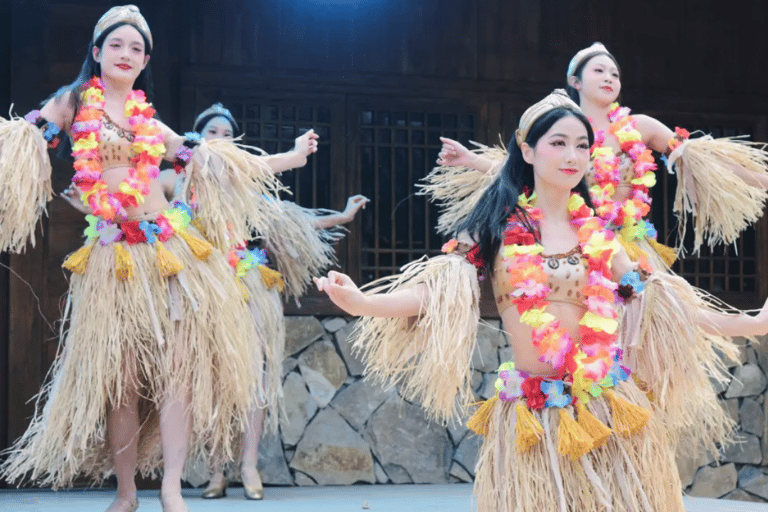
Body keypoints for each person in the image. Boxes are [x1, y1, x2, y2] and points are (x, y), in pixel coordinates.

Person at [315, 91, 768, 511]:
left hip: (610, 409)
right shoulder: (494, 228)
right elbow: (436, 292)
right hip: (532, 417)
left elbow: (668, 309)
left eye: (581, 145)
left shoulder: (601, 239)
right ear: (528, 151)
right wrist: (360, 303)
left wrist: (753, 324)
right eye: (558, 143)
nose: (572, 156)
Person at [0, 6, 306, 512]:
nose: (126, 54)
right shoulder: (75, 102)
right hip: (113, 259)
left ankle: (171, 487)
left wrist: (287, 159)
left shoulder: (149, 122)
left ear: (145, 62)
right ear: (96, 53)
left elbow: (208, 159)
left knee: (177, 374)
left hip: (170, 255)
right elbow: (31, 139)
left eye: (136, 48)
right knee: (121, 381)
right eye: (116, 45)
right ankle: (126, 493)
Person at [180, 103, 368, 500]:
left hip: (249, 285)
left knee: (255, 378)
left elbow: (298, 221)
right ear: (197, 139)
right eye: (213, 132)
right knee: (211, 376)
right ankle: (217, 471)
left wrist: (343, 217)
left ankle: (248, 466)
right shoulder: (181, 185)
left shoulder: (250, 192)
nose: (221, 140)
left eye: (228, 135)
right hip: (204, 286)